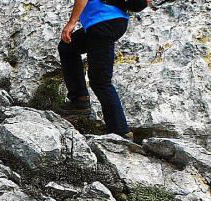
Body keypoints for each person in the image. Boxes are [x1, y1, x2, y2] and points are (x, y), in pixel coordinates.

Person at [57, 0, 149, 139]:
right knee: (67, 48)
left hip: (103, 22)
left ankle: (121, 132)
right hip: (111, 20)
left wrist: (71, 23)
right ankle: (80, 99)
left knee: (100, 81)